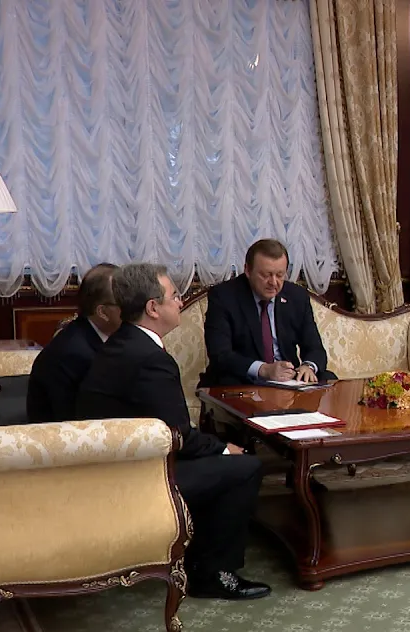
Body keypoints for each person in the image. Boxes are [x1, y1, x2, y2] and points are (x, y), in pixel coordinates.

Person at [75, 263, 271, 600]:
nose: (180, 302)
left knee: (223, 457)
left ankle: (197, 557)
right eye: (175, 295)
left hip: (117, 467)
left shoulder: (124, 342)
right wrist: (224, 448)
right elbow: (177, 436)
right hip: (135, 478)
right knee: (245, 466)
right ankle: (212, 574)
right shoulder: (148, 358)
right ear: (153, 307)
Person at [198, 238, 334, 388]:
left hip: (288, 379)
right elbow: (220, 354)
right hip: (244, 379)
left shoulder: (297, 296)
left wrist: (308, 366)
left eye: (280, 275)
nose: (273, 282)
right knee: (228, 381)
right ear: (247, 270)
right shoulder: (223, 296)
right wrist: (264, 369)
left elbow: (315, 348)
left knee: (327, 378)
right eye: (265, 275)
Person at [27, 263, 120, 423]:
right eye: (125, 302)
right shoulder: (73, 353)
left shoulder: (106, 335)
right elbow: (82, 420)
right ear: (103, 312)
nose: (134, 308)